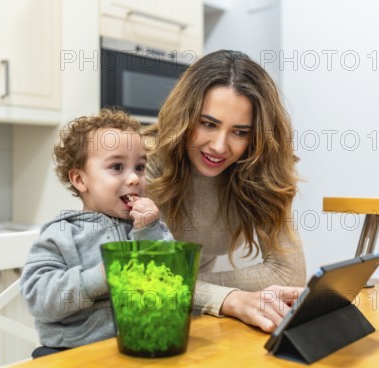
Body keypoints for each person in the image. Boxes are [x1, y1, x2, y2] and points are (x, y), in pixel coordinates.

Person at [145, 50, 306, 333]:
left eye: (240, 132)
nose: (220, 147)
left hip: (193, 315)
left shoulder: (260, 173)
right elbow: (137, 277)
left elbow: (289, 275)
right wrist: (229, 298)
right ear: (186, 116)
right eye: (208, 124)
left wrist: (195, 289)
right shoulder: (143, 163)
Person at [20, 109, 174, 358]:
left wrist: (148, 231)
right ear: (80, 180)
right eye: (117, 166)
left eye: (140, 167)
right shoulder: (61, 234)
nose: (134, 178)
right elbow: (39, 298)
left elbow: (172, 282)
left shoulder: (148, 226)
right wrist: (100, 277)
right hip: (69, 353)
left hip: (139, 347)